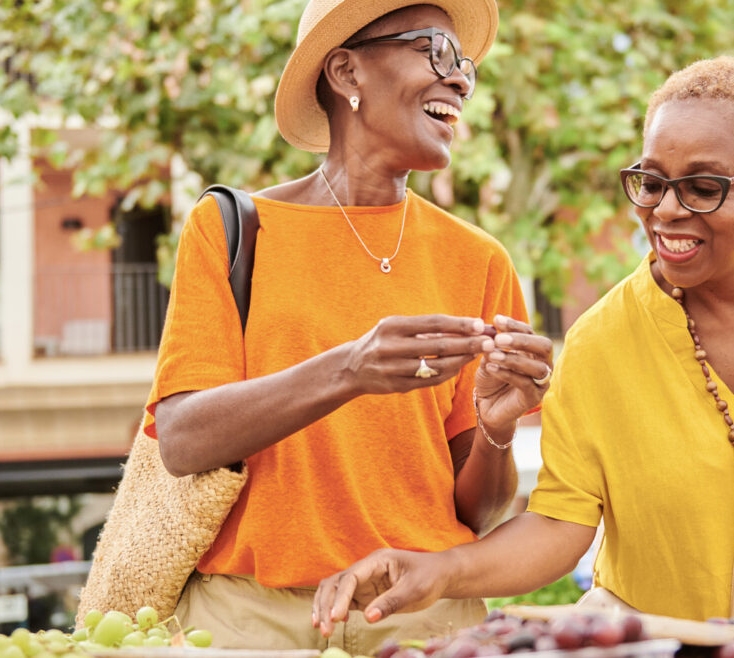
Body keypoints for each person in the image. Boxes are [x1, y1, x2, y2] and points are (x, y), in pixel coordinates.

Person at [311, 56, 734, 631]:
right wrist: (439, 572)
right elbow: (561, 525)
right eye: (650, 182)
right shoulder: (598, 343)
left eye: (704, 187)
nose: (667, 210)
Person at [147, 0, 553, 652]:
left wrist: (499, 432)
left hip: (420, 617)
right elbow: (182, 439)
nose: (460, 80)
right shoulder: (231, 230)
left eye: (466, 66)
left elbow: (474, 513)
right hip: (249, 622)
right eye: (435, 51)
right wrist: (350, 369)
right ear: (346, 72)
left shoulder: (478, 260)